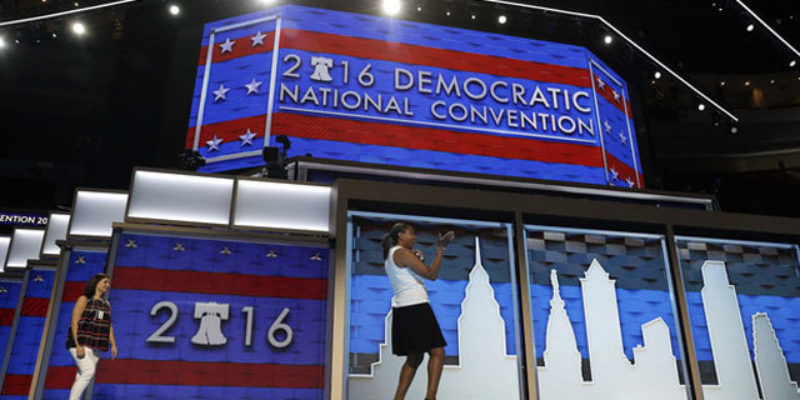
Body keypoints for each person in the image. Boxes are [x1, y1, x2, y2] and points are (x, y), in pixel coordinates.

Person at [382, 222, 455, 400]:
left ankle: (399, 398)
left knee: (415, 357)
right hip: (416, 305)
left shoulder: (394, 254)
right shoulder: (401, 252)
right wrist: (440, 249)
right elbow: (431, 274)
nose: (414, 237)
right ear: (400, 235)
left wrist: (417, 259)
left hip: (404, 308)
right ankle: (431, 397)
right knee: (437, 351)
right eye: (411, 234)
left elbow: (411, 272)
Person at [67, 273, 117, 400]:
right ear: (97, 283)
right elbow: (74, 321)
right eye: (105, 282)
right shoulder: (84, 299)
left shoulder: (106, 304)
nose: (108, 285)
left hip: (97, 345)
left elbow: (109, 325)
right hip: (81, 342)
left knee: (81, 375)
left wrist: (113, 344)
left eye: (108, 283)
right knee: (89, 371)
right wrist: (77, 344)